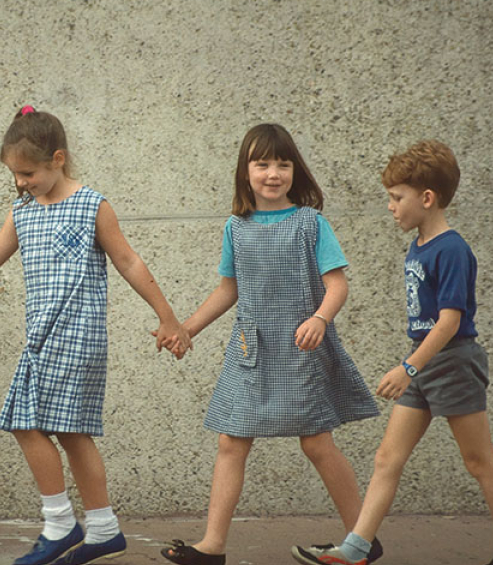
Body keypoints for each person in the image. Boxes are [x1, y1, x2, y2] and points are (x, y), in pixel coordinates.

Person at [0, 106, 190, 565]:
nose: (21, 182)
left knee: (37, 423)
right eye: (15, 174)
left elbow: (129, 262)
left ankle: (62, 524)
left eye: (29, 172)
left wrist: (168, 317)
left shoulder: (91, 204)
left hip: (76, 335)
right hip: (42, 336)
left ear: (58, 158)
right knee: (69, 433)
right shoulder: (22, 211)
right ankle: (101, 529)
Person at [291, 140, 493, 565]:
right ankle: (356, 549)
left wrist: (408, 367)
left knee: (479, 463)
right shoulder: (419, 244)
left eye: (396, 197)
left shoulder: (452, 249)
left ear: (427, 198)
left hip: (452, 362)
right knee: (388, 457)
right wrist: (415, 364)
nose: (390, 207)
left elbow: (450, 321)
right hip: (424, 361)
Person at [161, 123, 380, 565]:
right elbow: (228, 290)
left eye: (283, 164)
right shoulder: (235, 228)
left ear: (295, 171)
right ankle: (212, 546)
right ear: (246, 171)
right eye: (262, 164)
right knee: (231, 441)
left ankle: (362, 540)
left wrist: (320, 318)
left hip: (303, 349)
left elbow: (337, 285)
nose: (273, 173)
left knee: (317, 443)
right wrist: (187, 329)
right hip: (252, 351)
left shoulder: (310, 224)